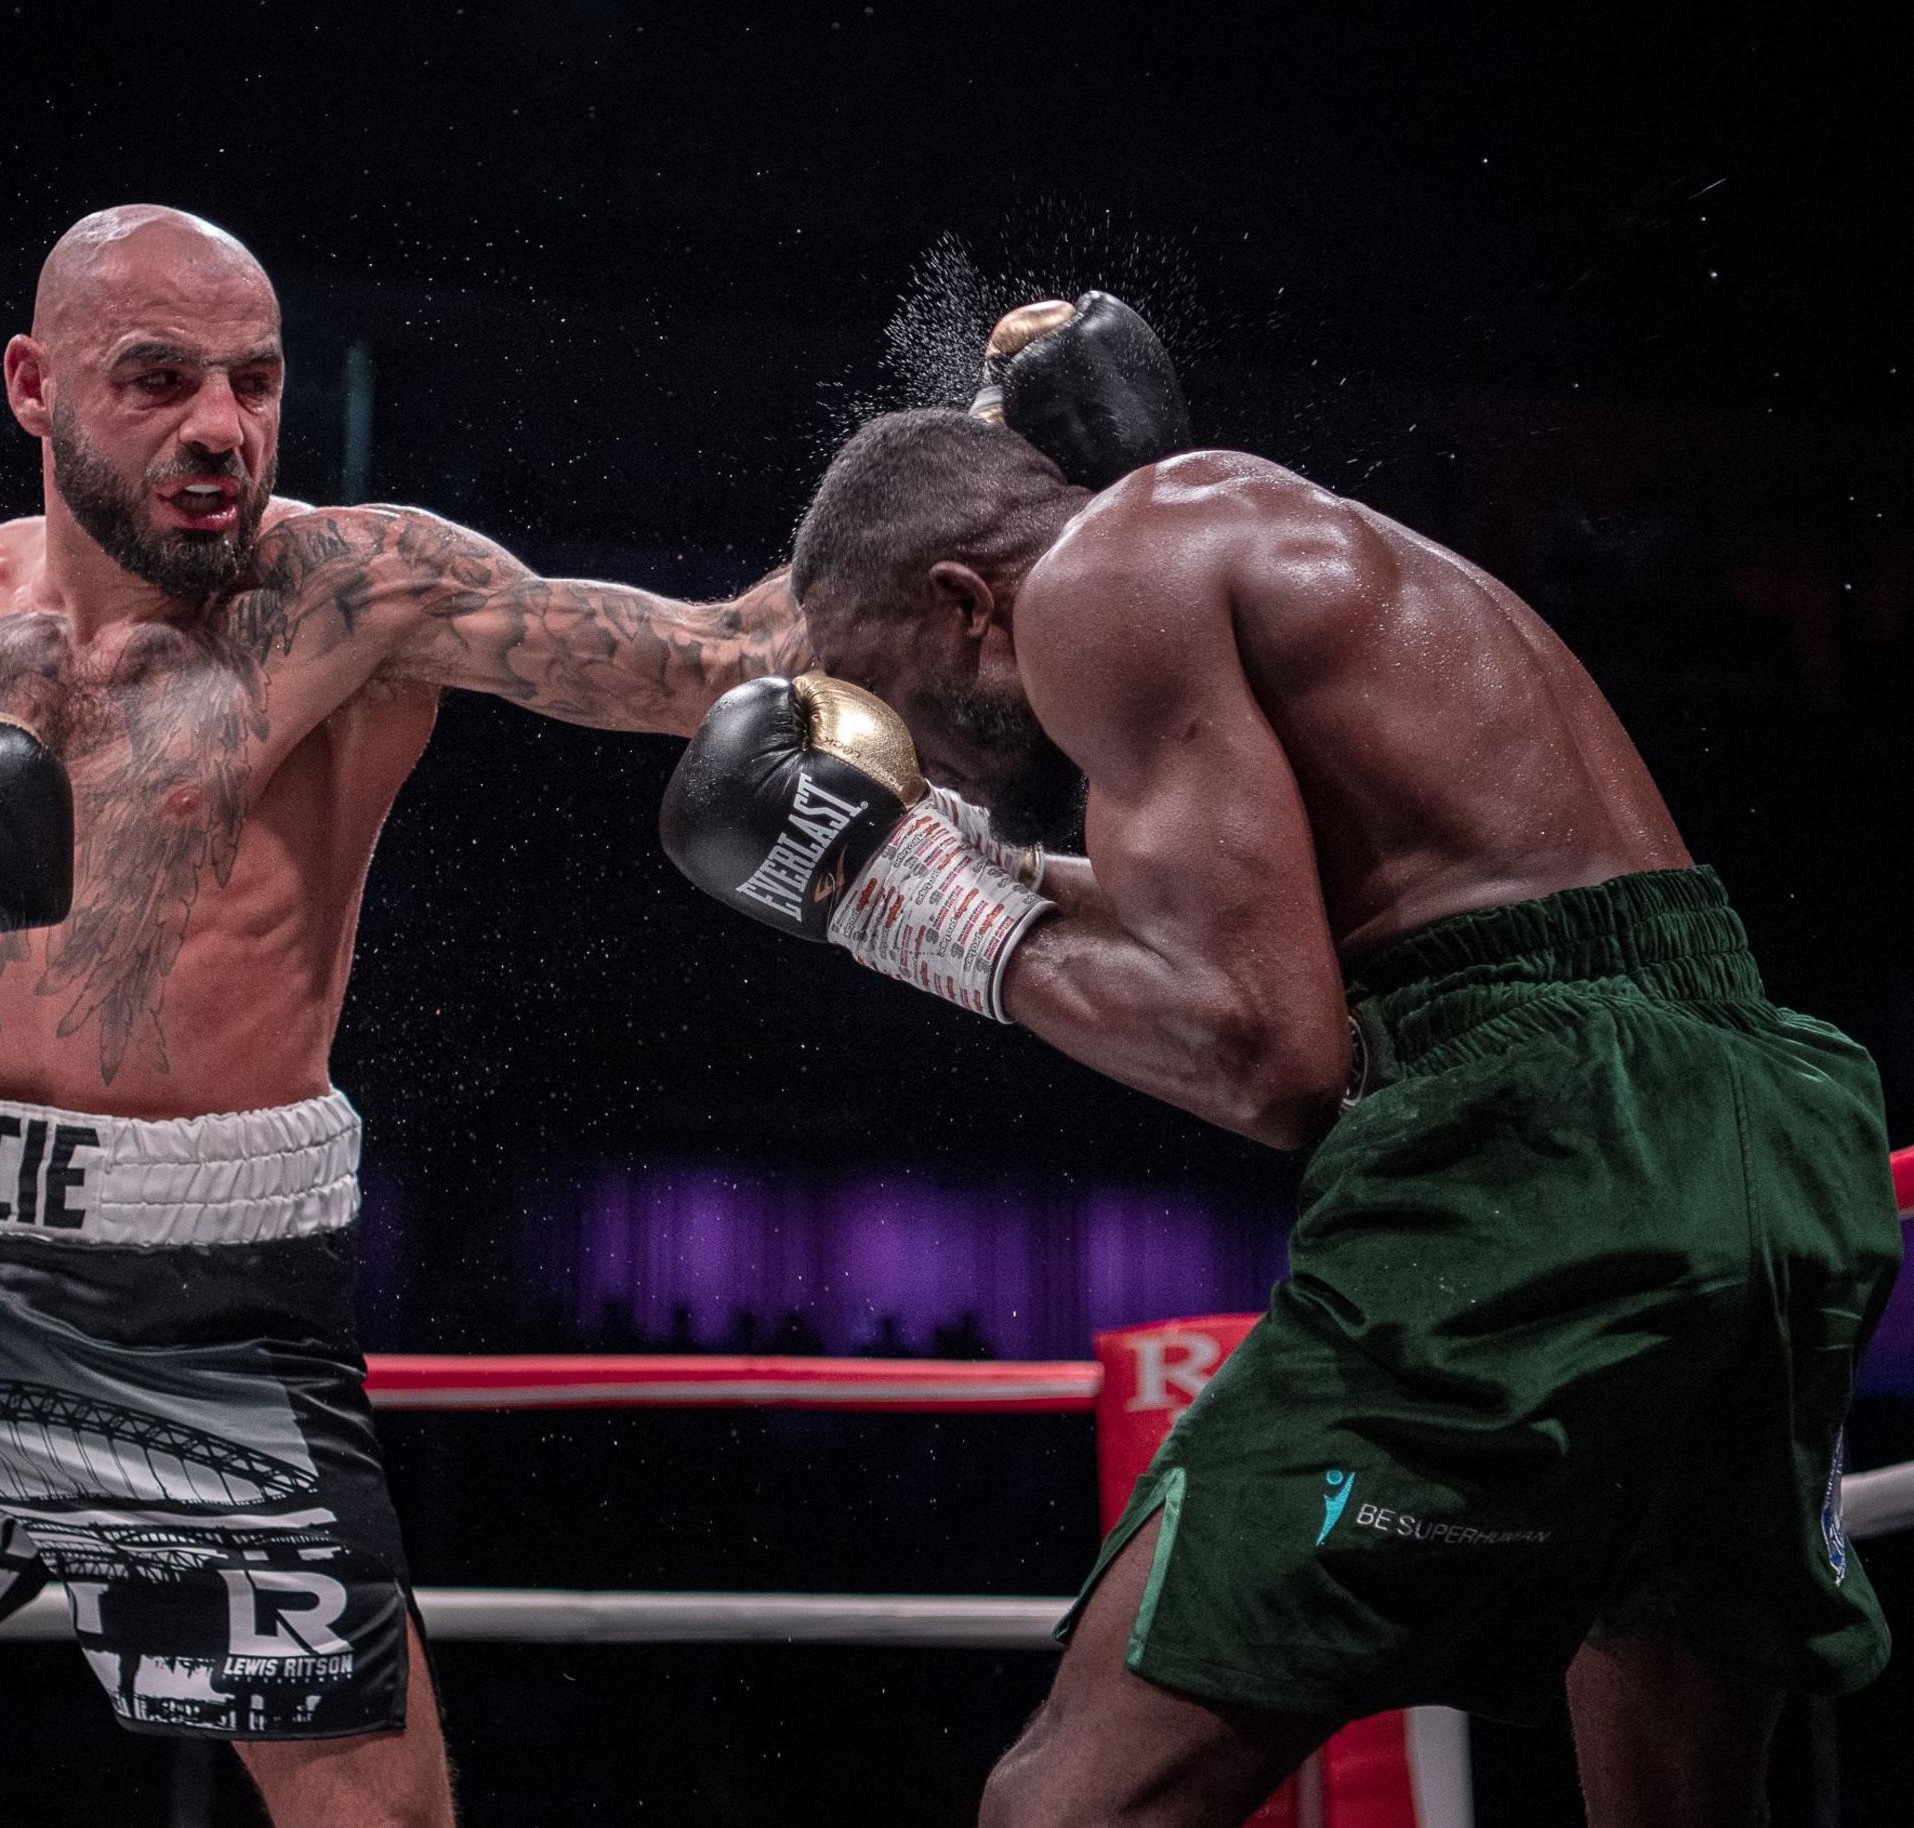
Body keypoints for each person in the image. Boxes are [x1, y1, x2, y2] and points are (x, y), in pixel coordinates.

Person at [0, 204, 808, 1828]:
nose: (219, 430)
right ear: (34, 386)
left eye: (254, 380)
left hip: (206, 1324)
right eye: (158, 380)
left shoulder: (352, 591)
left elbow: (722, 659)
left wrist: (969, 455)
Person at [662, 350, 1900, 1822]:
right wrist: (961, 875)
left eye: (891, 698)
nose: (912, 764)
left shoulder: (1090, 588)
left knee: (1068, 1804)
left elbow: (1270, 1056)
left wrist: (900, 899)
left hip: (1551, 1160)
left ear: (961, 598)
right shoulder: (1253, 536)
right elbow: (1272, 929)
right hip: (1760, 1136)